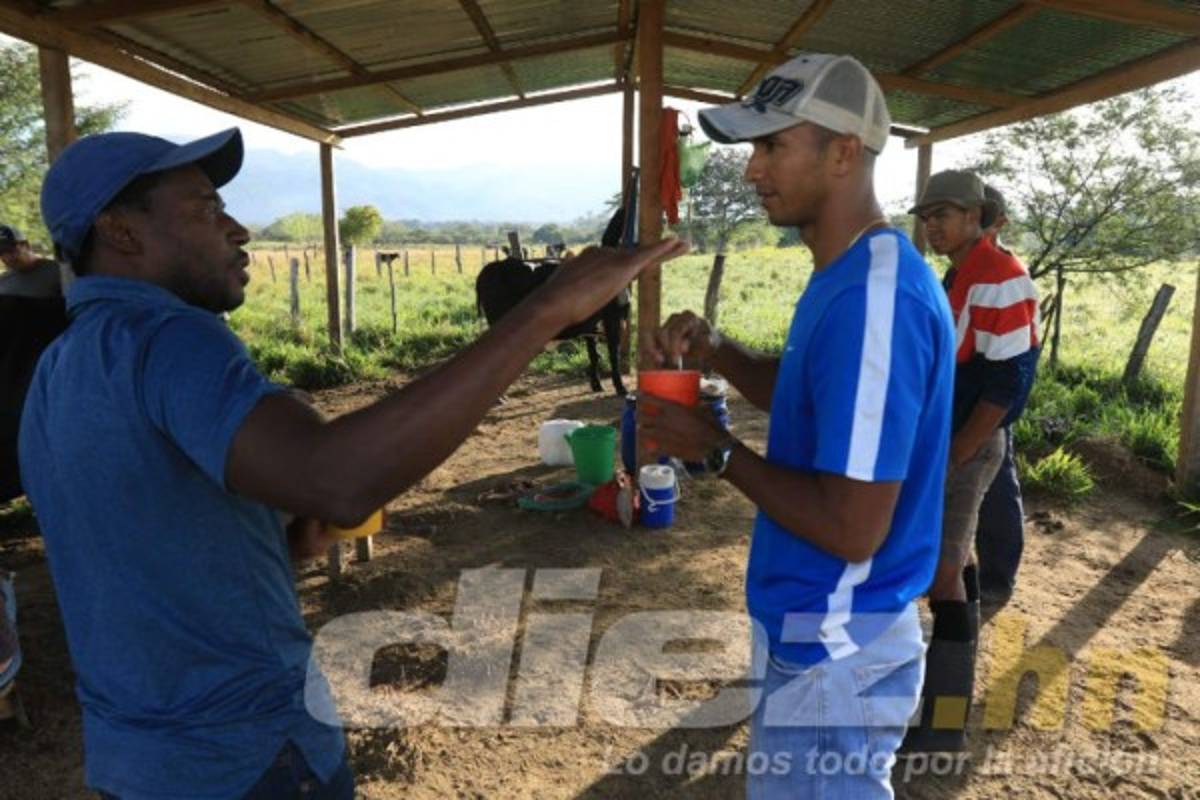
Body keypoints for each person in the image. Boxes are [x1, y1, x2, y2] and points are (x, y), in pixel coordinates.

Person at [19, 128, 686, 799]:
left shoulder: (57, 371)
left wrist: (269, 542)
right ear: (121, 233)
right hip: (248, 757)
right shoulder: (170, 341)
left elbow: (139, 546)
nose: (238, 228)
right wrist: (544, 311)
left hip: (133, 762)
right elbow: (337, 481)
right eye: (203, 208)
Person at [640, 53, 956, 798]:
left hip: (838, 642)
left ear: (843, 152)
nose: (752, 170)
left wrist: (715, 452)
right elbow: (805, 395)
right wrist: (716, 347)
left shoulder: (876, 298)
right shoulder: (847, 272)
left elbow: (853, 530)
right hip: (818, 630)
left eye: (773, 145)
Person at [903, 171, 1039, 753]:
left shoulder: (1001, 277)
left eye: (945, 213)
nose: (932, 224)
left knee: (942, 575)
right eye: (927, 214)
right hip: (950, 440)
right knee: (951, 566)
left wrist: (953, 455)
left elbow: (1006, 385)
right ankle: (941, 709)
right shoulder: (965, 270)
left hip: (970, 444)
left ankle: (945, 723)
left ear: (976, 215)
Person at [974, 183, 1036, 608]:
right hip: (969, 399)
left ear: (998, 223)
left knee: (994, 489)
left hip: (990, 405)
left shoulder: (1007, 275)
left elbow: (1013, 370)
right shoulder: (962, 270)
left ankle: (997, 578)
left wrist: (994, 413)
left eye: (978, 218)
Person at [0, 224, 62, 298]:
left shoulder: (59, 272)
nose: (7, 258)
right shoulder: (3, 281)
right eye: (1, 253)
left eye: (10, 251)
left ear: (27, 245)